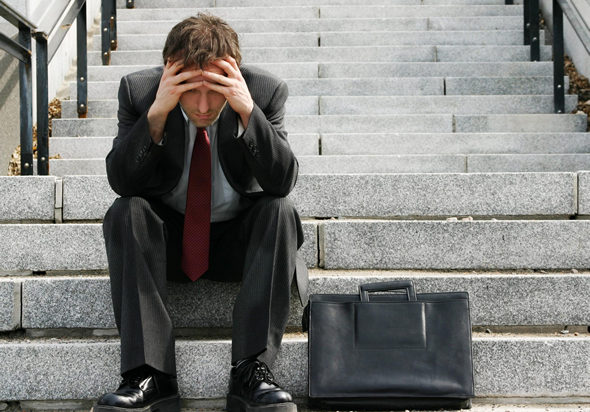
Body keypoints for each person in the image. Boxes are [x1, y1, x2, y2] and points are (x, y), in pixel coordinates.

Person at [93, 13, 308, 412]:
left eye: (216, 92)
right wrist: (156, 116)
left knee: (280, 209)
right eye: (192, 92)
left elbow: (282, 181)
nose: (205, 106)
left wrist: (247, 113)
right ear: (171, 75)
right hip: (169, 243)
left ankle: (251, 370)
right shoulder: (140, 93)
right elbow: (122, 181)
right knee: (127, 210)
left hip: (237, 244)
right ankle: (149, 374)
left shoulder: (263, 91)